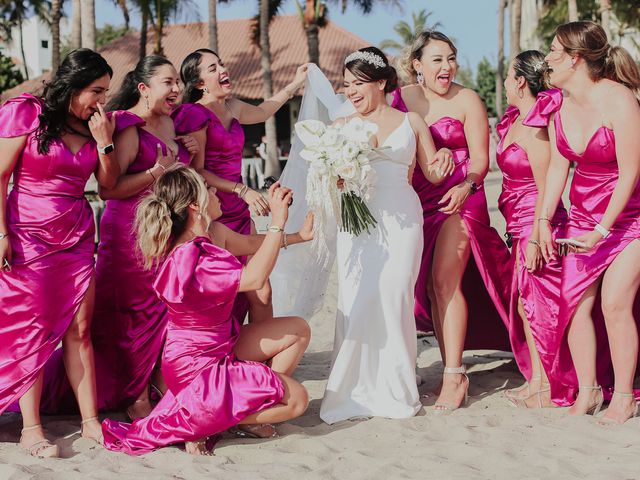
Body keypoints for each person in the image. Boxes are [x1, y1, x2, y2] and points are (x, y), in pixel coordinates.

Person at [102, 165, 311, 455]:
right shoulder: (194, 258)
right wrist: (277, 220)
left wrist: (299, 235)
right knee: (298, 399)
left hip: (219, 346)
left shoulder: (208, 235)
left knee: (297, 329)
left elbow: (251, 243)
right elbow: (255, 278)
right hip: (197, 366)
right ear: (195, 206)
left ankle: (242, 408)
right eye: (209, 189)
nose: (217, 192)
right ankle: (207, 422)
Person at [39, 55, 196, 420]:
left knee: (163, 312)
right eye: (168, 82)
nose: (176, 89)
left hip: (166, 234)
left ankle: (157, 387)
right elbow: (109, 189)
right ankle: (136, 396)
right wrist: (158, 172)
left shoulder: (174, 125)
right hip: (130, 233)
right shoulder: (126, 126)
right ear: (143, 88)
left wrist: (193, 157)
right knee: (130, 318)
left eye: (177, 82)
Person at [319, 47, 455, 424]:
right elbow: (328, 179)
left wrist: (444, 161)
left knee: (394, 296)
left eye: (357, 83)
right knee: (358, 296)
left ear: (381, 83)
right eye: (345, 85)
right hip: (356, 223)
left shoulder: (412, 121)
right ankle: (350, 391)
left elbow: (432, 174)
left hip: (402, 221)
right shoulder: (339, 128)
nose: (350, 91)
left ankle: (395, 387)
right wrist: (338, 174)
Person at [0, 49, 119, 457]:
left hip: (77, 236)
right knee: (31, 333)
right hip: (27, 235)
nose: (102, 101)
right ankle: (31, 429)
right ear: (71, 87)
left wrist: (105, 143)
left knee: (79, 331)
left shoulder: (100, 126)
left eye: (106, 91)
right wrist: (1, 233)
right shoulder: (25, 113)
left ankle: (90, 422)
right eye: (95, 91)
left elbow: (108, 185)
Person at [392, 31, 511, 413]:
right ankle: (450, 365)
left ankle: (455, 374)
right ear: (417, 65)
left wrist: (466, 185)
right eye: (438, 59)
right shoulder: (402, 98)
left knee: (445, 282)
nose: (447, 67)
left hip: (462, 198)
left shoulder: (468, 99)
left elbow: (481, 161)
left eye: (451, 58)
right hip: (418, 202)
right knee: (428, 287)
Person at [532, 21, 640, 424]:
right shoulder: (558, 104)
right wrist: (544, 219)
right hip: (580, 217)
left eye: (554, 52)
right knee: (575, 304)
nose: (547, 59)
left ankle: (625, 396)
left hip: (628, 217)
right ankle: (589, 388)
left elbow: (631, 173)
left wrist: (602, 231)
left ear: (575, 59)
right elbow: (559, 166)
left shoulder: (619, 100)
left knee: (614, 303)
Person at [173, 48, 309, 324]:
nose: (222, 70)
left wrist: (295, 84)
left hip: (240, 210)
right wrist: (242, 190)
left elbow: (262, 111)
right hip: (214, 211)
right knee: (229, 289)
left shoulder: (233, 106)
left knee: (262, 291)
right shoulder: (194, 114)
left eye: (221, 64)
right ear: (199, 83)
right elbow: (198, 172)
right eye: (212, 68)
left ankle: (264, 356)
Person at [496, 50, 568, 408]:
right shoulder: (516, 120)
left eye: (509, 77)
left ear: (521, 82)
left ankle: (547, 385)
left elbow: (545, 187)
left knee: (539, 306)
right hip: (515, 224)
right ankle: (536, 379)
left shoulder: (538, 129)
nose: (506, 84)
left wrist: (539, 237)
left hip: (535, 226)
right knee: (527, 305)